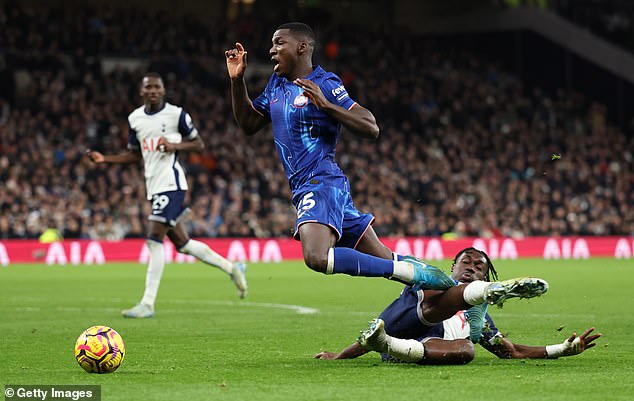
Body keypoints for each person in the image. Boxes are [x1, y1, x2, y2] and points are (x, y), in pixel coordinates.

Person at [225, 22, 452, 290]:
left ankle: (410, 272)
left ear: (302, 47)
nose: (271, 50)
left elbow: (370, 126)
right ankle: (458, 291)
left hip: (321, 183)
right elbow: (249, 124)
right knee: (386, 260)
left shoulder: (325, 82)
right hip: (316, 188)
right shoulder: (276, 85)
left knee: (317, 257)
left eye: (279, 43)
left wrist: (327, 105)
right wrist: (237, 81)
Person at [86, 72, 247, 318]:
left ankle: (147, 304)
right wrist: (105, 159)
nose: (152, 90)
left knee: (153, 240)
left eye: (157, 87)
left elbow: (198, 144)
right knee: (183, 244)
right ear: (142, 92)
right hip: (154, 186)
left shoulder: (176, 114)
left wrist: (175, 145)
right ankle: (232, 267)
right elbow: (134, 154)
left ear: (163, 90)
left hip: (172, 183)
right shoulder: (135, 119)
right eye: (148, 87)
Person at [314, 248, 600, 365]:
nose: (471, 268)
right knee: (440, 291)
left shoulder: (480, 321)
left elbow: (510, 352)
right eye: (466, 262)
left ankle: (389, 345)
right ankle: (484, 293)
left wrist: (562, 350)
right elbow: (387, 320)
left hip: (405, 349)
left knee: (468, 348)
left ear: (483, 277)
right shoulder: (431, 283)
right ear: (453, 265)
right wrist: (340, 356)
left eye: (479, 267)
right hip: (408, 320)